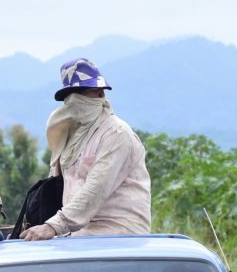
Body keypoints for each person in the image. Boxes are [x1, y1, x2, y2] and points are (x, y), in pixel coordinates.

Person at [20, 57, 151, 241]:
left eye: (101, 92)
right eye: (92, 92)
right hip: (78, 236)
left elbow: (96, 189)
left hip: (120, 236)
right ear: (72, 98)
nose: (100, 96)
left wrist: (53, 226)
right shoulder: (71, 135)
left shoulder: (116, 133)